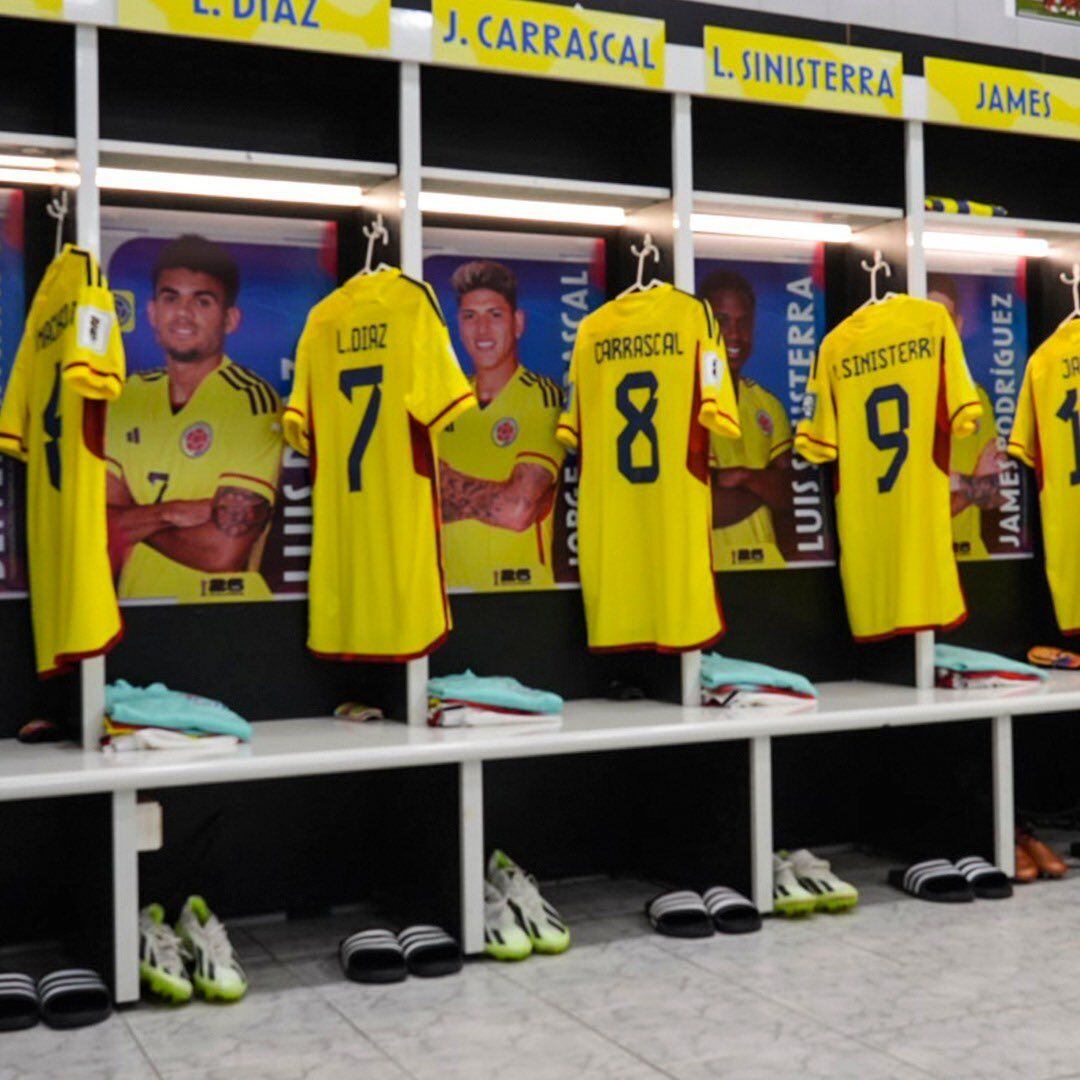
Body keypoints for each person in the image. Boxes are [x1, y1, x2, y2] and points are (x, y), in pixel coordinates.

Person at [106, 235, 283, 601]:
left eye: (202, 301)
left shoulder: (250, 400)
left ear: (230, 319)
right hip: (135, 607)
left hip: (227, 613)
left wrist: (132, 519)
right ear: (153, 312)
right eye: (172, 298)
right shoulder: (126, 396)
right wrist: (172, 512)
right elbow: (96, 524)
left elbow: (222, 553)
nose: (183, 314)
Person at [438, 260, 566, 590]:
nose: (482, 330)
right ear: (458, 325)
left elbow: (517, 509)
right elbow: (415, 506)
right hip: (445, 593)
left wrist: (447, 485)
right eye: (470, 317)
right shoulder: (446, 401)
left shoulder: (542, 395)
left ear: (517, 322)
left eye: (494, 315)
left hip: (518, 591)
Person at [699, 268, 794, 569]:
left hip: (768, 566)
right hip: (709, 570)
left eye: (743, 323)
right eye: (722, 322)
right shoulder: (688, 403)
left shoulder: (767, 404)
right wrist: (764, 485)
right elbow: (703, 507)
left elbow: (789, 495)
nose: (735, 334)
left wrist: (745, 476)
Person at [927, 273, 1004, 559]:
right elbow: (915, 504)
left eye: (944, 317)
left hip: (972, 556)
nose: (939, 328)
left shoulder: (977, 397)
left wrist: (954, 482)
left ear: (958, 324)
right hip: (924, 560)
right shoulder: (906, 398)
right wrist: (970, 481)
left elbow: (992, 495)